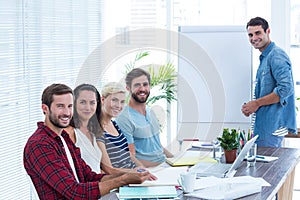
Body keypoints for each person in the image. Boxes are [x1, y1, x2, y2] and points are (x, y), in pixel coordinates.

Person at [23, 83, 149, 200]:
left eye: (69, 106)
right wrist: (123, 180)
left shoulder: (63, 139)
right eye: (60, 106)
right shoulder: (39, 144)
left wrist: (130, 176)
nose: (67, 112)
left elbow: (89, 177)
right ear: (45, 108)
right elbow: (74, 192)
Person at [241, 17, 297, 147]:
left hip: (271, 129)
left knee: (264, 167)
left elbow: (285, 89)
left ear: (268, 31)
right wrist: (252, 106)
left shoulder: (276, 55)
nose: (254, 38)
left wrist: (256, 103)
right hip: (265, 127)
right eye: (250, 35)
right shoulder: (265, 57)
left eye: (258, 33)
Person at [116, 68, 173, 168]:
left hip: (164, 165)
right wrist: (161, 166)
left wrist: (174, 160)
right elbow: (130, 157)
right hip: (148, 170)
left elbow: (157, 145)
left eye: (145, 84)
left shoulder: (151, 112)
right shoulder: (124, 118)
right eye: (137, 85)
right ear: (128, 88)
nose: (142, 89)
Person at [97, 82, 144, 169]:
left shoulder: (114, 124)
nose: (119, 106)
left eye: (122, 102)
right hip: (124, 178)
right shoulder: (98, 130)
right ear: (102, 99)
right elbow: (109, 170)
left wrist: (141, 167)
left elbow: (127, 153)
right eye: (114, 100)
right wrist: (134, 173)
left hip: (135, 174)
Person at [66, 83, 103, 173]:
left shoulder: (92, 131)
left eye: (92, 103)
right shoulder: (69, 132)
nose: (88, 107)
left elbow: (96, 168)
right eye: (83, 102)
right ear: (74, 103)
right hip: (84, 186)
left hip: (98, 184)